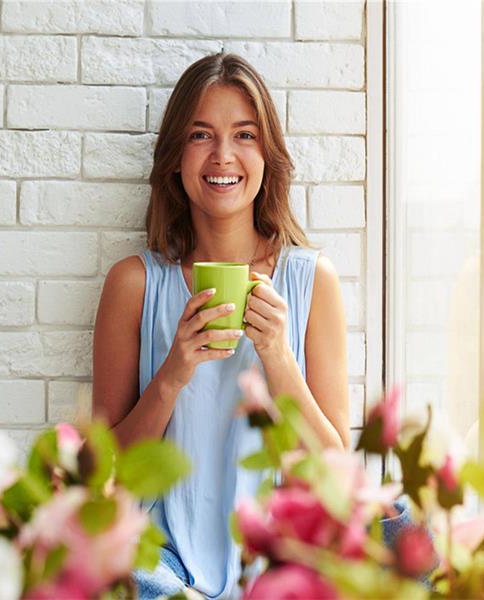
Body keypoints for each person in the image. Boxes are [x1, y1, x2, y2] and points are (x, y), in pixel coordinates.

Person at [91, 52, 349, 599]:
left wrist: (279, 358)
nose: (223, 155)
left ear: (267, 154)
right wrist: (172, 374)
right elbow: (102, 477)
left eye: (245, 135)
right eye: (200, 135)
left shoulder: (311, 281)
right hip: (160, 568)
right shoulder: (134, 285)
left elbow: (337, 475)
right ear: (175, 158)